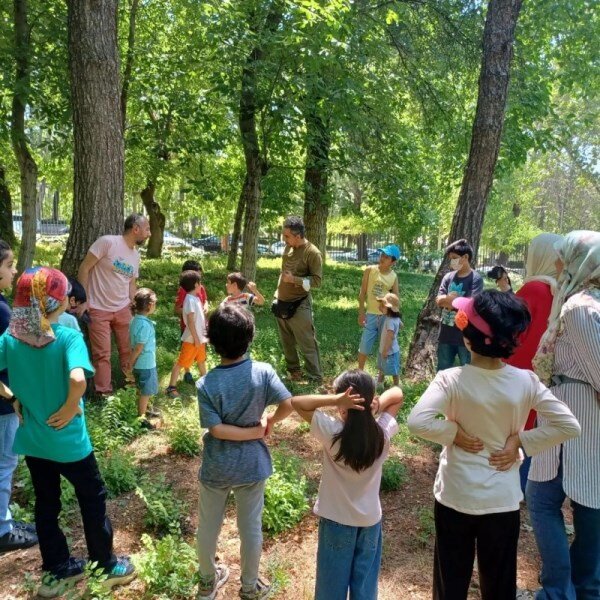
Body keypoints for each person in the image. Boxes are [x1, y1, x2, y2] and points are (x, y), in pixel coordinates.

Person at [407, 290, 580, 600]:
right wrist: (521, 441)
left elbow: (418, 421)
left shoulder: (451, 379)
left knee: (450, 580)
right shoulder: (526, 381)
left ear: (468, 339)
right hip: (502, 500)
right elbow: (569, 425)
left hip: (454, 495)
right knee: (499, 584)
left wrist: (453, 433)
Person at [0, 267, 135, 597]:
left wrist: (13, 398)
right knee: (93, 498)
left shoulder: (9, 339)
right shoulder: (68, 337)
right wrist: (70, 405)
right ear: (57, 302)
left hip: (33, 439)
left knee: (46, 504)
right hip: (70, 442)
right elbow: (78, 379)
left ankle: (57, 570)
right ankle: (105, 567)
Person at [196, 304, 293, 600]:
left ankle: (206, 583)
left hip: (216, 468)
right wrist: (267, 424)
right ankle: (249, 587)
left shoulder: (206, 383)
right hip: (251, 466)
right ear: (250, 338)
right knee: (250, 529)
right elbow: (289, 403)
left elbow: (217, 430)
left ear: (211, 342)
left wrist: (258, 427)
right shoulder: (263, 372)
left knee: (207, 528)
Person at [528, 230, 600, 600]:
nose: (557, 263)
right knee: (587, 507)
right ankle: (581, 589)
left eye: (563, 256)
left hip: (578, 418)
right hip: (574, 416)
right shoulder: (579, 301)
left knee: (544, 502)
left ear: (579, 262)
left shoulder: (580, 308)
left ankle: (561, 590)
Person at [291, 370, 403, 600]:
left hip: (336, 522)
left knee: (330, 589)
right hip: (370, 523)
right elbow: (398, 394)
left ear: (343, 403)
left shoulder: (332, 432)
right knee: (365, 588)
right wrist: (376, 404)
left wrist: (336, 400)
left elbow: (297, 402)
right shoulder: (381, 434)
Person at [505, 233, 563, 491]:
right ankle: (527, 483)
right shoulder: (558, 291)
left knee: (514, 430)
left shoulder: (533, 289)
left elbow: (510, 332)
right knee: (532, 429)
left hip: (517, 372)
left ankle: (514, 485)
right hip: (545, 374)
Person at [77, 214, 151, 395]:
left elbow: (131, 283)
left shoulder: (135, 255)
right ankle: (104, 393)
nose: (149, 234)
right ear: (136, 229)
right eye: (147, 229)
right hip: (98, 309)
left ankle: (129, 385)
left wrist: (135, 309)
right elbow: (84, 268)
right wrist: (84, 300)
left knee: (128, 350)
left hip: (123, 309)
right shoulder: (107, 243)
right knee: (102, 355)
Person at [0, 240, 38, 554]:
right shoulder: (0, 310)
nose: (13, 272)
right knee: (4, 464)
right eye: (9, 266)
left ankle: (6, 520)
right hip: (2, 405)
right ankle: (2, 530)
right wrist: (13, 398)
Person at [272, 216, 323, 382]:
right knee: (287, 342)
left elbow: (317, 282)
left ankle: (315, 377)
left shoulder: (312, 253)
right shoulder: (288, 248)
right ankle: (294, 372)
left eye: (287, 236)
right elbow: (284, 272)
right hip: (281, 302)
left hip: (300, 304)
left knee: (307, 342)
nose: (283, 239)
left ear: (298, 235)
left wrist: (295, 280)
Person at [436, 239, 483, 371]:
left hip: (465, 336)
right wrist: (456, 300)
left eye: (455, 258)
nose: (452, 262)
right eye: (451, 259)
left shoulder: (476, 279)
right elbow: (439, 301)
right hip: (446, 333)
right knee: (442, 371)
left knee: (468, 370)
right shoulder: (448, 277)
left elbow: (470, 305)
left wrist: (449, 301)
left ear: (465, 257)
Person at [357, 245, 400, 370]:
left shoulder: (393, 276)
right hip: (370, 314)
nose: (382, 258)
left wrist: (396, 316)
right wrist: (361, 312)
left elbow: (396, 298)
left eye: (387, 257)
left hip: (385, 316)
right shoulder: (370, 270)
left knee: (384, 346)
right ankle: (360, 372)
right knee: (364, 345)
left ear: (393, 262)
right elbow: (362, 293)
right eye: (382, 255)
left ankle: (381, 375)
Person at [166, 270, 207, 398]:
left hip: (199, 339)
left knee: (201, 360)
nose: (201, 286)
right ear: (196, 284)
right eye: (200, 283)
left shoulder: (195, 299)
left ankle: (206, 384)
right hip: (192, 339)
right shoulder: (189, 300)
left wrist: (203, 336)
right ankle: (171, 387)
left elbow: (199, 320)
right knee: (181, 363)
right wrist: (195, 338)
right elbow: (190, 322)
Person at [129, 288, 160, 429]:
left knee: (141, 388)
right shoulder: (145, 325)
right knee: (146, 391)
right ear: (149, 305)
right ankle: (141, 418)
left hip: (139, 364)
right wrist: (131, 361)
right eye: (154, 303)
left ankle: (145, 410)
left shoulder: (134, 320)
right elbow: (139, 347)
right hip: (146, 364)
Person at [174, 260, 208, 385]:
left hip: (200, 330)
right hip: (190, 331)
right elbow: (177, 309)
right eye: (198, 275)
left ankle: (205, 380)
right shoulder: (186, 293)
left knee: (201, 357)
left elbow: (205, 301)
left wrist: (205, 307)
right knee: (185, 356)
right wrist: (192, 312)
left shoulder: (199, 289)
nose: (200, 280)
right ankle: (186, 373)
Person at [376, 293, 403, 387]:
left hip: (389, 351)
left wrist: (385, 350)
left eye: (382, 306)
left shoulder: (390, 321)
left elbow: (390, 337)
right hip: (387, 349)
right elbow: (401, 325)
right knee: (382, 367)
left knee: (394, 370)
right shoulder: (394, 318)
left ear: (390, 308)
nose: (380, 307)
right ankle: (380, 383)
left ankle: (396, 385)